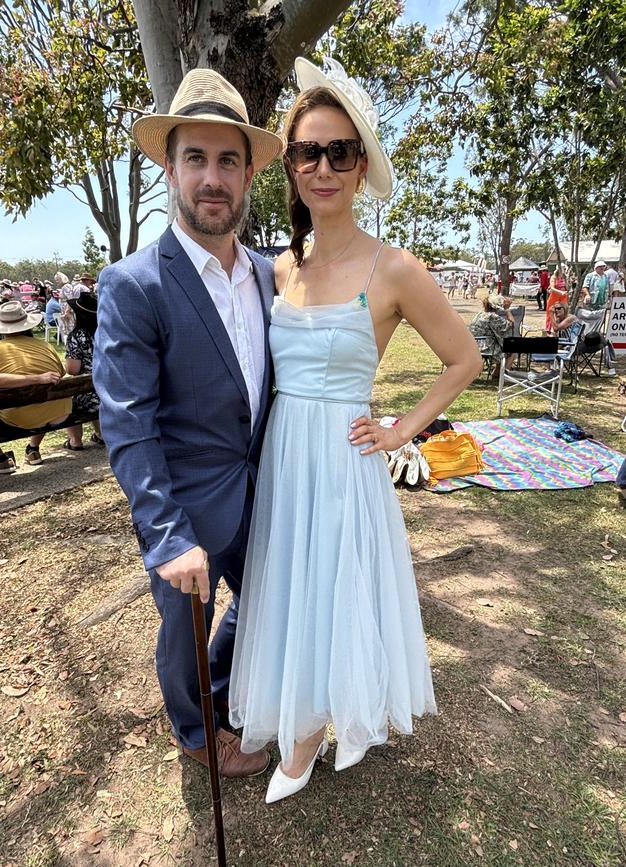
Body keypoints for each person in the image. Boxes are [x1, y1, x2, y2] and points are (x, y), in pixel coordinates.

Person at [228, 57, 481, 804]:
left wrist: (403, 429)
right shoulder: (278, 269)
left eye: (340, 151)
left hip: (345, 456)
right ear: (293, 165)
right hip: (285, 457)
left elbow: (462, 358)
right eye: (308, 151)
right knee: (293, 586)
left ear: (360, 163)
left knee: (338, 589)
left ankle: (312, 736)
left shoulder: (396, 267)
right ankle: (301, 721)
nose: (323, 166)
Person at [93, 68, 284, 778]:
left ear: (248, 174)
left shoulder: (271, 276)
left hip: (262, 490)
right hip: (185, 505)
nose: (212, 177)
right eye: (195, 158)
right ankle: (193, 730)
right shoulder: (133, 284)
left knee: (264, 605)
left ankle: (226, 690)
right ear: (169, 168)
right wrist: (167, 536)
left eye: (228, 160)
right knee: (184, 630)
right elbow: (128, 424)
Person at [0, 301, 69, 473]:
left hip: (15, 420)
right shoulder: (46, 346)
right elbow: (61, 374)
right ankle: (33, 449)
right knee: (40, 400)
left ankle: (0, 459)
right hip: (58, 414)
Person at [62, 294, 104, 449]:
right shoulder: (108, 332)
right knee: (91, 392)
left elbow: (73, 370)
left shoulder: (77, 336)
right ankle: (101, 434)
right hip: (111, 389)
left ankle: (75, 440)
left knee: (67, 397)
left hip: (89, 394)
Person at [468, 293, 514, 377]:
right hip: (485, 347)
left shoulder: (479, 314)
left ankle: (496, 374)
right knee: (511, 349)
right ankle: (504, 377)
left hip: (472, 345)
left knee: (501, 346)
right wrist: (507, 309)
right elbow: (511, 323)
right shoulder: (492, 317)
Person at [546, 266, 568, 332]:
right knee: (551, 312)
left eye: (564, 269)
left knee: (563, 313)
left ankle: (561, 328)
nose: (564, 270)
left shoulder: (564, 277)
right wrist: (560, 292)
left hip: (563, 297)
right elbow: (552, 288)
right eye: (563, 269)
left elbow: (566, 287)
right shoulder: (554, 277)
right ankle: (549, 329)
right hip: (554, 297)